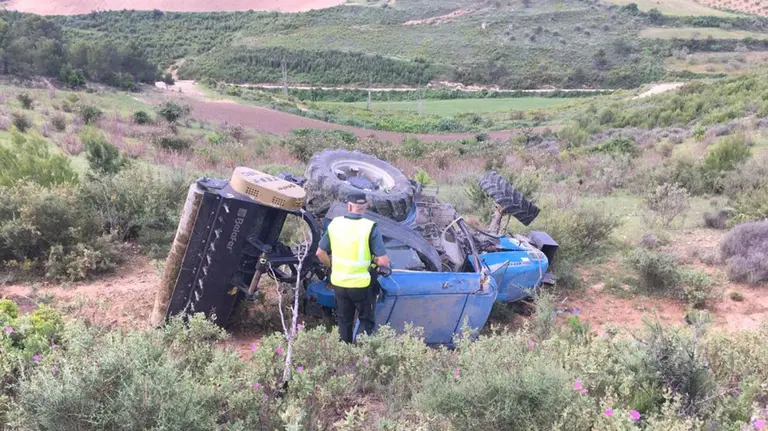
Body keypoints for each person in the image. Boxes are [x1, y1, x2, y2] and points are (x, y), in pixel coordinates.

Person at [316, 192, 391, 343]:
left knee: (344, 321)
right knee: (365, 321)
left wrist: (331, 265)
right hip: (362, 285)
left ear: (349, 206)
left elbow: (320, 253)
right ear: (366, 207)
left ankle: (345, 355)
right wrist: (376, 260)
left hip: (339, 283)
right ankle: (361, 357)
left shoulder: (335, 224)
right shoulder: (369, 227)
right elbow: (383, 261)